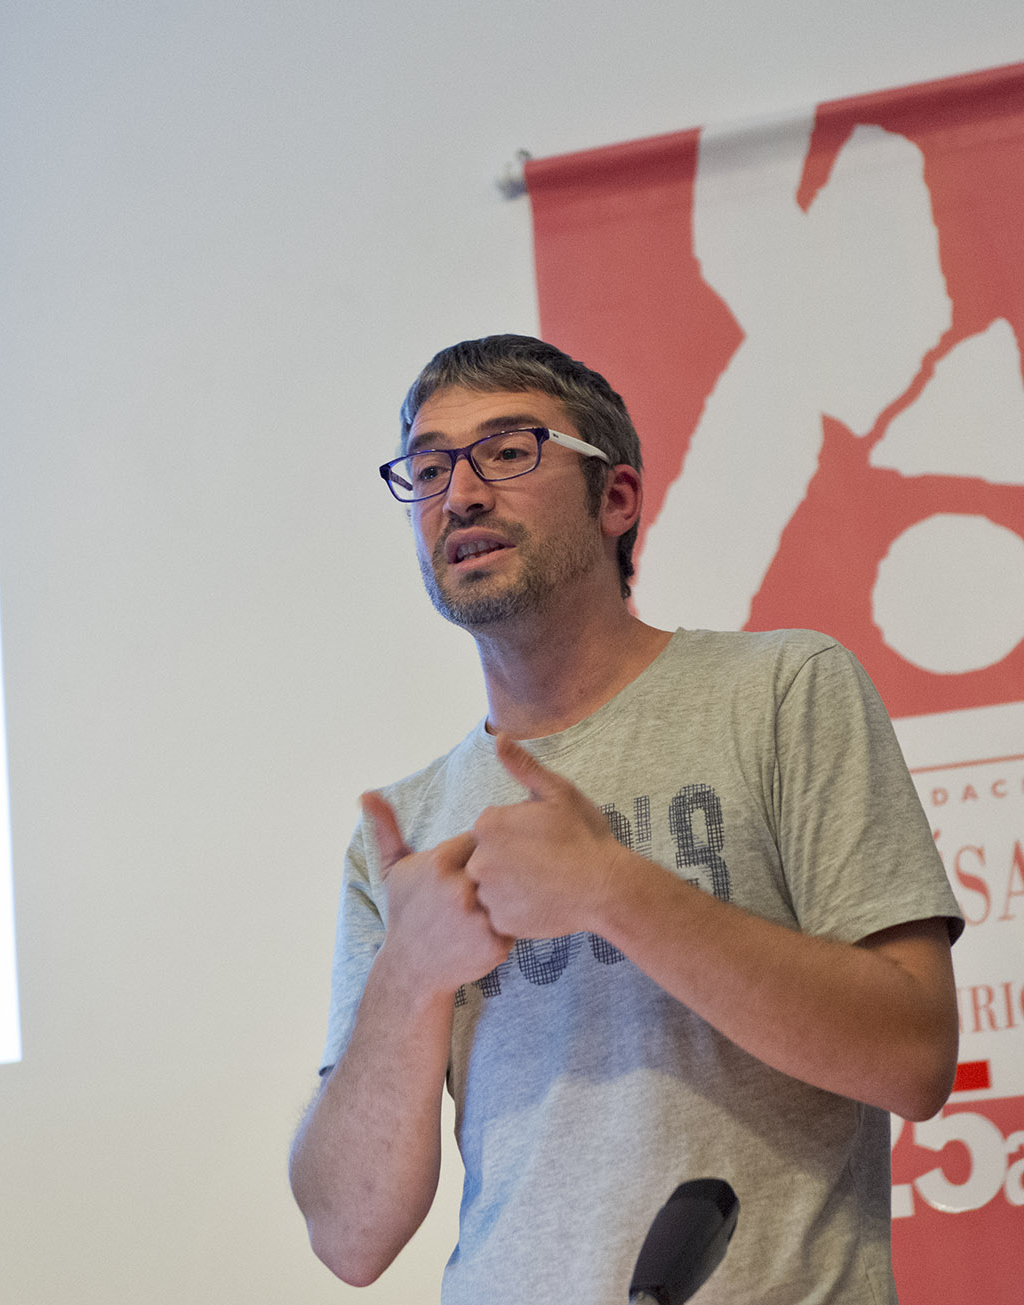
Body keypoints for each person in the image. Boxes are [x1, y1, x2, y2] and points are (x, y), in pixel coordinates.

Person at [288, 335, 963, 1303]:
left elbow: (911, 1056)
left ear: (616, 499)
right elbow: (347, 1236)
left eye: (507, 452)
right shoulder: (402, 835)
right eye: (428, 470)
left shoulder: (780, 692)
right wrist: (408, 973)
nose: (460, 495)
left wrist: (613, 891)